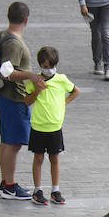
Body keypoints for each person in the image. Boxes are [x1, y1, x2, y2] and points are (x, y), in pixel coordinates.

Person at [0, 2, 47, 201]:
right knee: (13, 144)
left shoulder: (3, 35)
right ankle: (9, 185)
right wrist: (31, 75)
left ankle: (5, 182)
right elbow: (7, 72)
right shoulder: (14, 43)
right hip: (14, 98)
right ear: (26, 19)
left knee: (6, 141)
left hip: (4, 97)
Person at [23, 47, 80, 206]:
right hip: (38, 126)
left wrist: (64, 103)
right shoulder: (33, 81)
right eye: (46, 66)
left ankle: (55, 190)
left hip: (55, 126)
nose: (49, 69)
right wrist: (37, 91)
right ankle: (37, 189)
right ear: (40, 64)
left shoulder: (61, 79)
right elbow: (26, 102)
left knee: (54, 158)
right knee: (38, 158)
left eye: (52, 66)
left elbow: (75, 91)